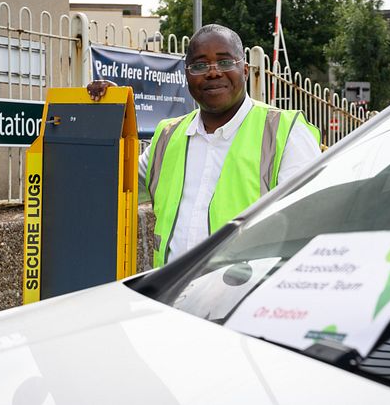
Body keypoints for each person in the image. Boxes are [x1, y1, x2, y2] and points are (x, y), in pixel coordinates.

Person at [87, 24, 320, 267]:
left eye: (225, 62)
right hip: (172, 293)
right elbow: (110, 186)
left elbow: (309, 224)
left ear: (246, 69)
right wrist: (107, 115)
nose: (213, 73)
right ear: (186, 75)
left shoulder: (284, 131)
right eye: (199, 65)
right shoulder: (168, 136)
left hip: (245, 297)